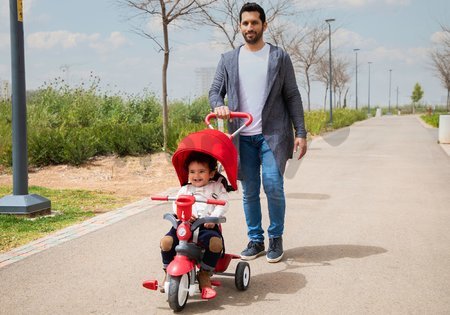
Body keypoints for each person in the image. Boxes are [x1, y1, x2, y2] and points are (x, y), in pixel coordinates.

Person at [209, 2, 307, 263]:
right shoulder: (228, 59)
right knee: (250, 190)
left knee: (273, 185)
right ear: (240, 26)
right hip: (242, 136)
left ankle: (275, 237)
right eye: (245, 23)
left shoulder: (279, 57)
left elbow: (293, 95)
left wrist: (301, 131)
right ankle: (256, 239)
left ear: (264, 25)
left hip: (273, 135)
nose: (249, 27)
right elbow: (214, 92)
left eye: (254, 22)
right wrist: (219, 106)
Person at [160, 151, 229, 299]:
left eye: (201, 171)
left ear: (211, 173)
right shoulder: (185, 189)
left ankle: (204, 273)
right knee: (166, 242)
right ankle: (167, 271)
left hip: (206, 225)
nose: (196, 175)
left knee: (215, 244)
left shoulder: (217, 187)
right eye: (192, 172)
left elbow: (223, 203)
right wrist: (181, 213)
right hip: (185, 224)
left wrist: (213, 217)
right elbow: (176, 202)